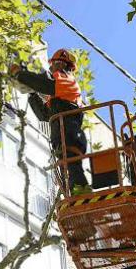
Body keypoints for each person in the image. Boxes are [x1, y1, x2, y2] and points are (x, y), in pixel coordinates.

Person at [10, 48, 92, 195]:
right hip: (64, 136)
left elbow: (45, 83)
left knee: (73, 170)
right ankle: (77, 194)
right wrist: (32, 94)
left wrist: (20, 74)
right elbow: (44, 115)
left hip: (69, 134)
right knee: (70, 172)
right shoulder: (60, 95)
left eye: (53, 65)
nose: (51, 68)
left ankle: (82, 193)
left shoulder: (66, 79)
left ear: (61, 64)